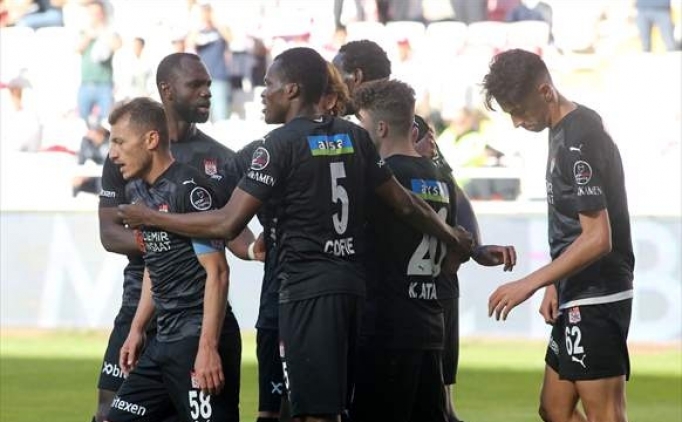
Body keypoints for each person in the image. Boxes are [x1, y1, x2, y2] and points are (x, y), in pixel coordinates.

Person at [118, 47, 474, 422]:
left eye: (269, 84)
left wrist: (152, 217)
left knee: (315, 414)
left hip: (306, 292)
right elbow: (406, 205)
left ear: (291, 90)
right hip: (353, 291)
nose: (263, 93)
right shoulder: (355, 136)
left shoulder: (278, 145)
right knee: (328, 408)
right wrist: (453, 236)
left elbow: (226, 224)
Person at [93, 52, 254, 422]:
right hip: (148, 307)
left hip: (194, 321)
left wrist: (253, 249)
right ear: (167, 89)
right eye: (196, 84)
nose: (206, 92)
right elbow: (116, 237)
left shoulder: (206, 170)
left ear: (150, 140)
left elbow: (224, 235)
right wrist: (137, 326)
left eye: (208, 85)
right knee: (109, 413)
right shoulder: (134, 173)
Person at [482, 49, 634, 422]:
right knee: (553, 409)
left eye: (519, 110)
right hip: (576, 288)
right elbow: (573, 225)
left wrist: (529, 283)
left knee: (604, 415)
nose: (517, 122)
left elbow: (598, 237)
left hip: (598, 293)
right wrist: (555, 283)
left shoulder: (580, 138)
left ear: (546, 91)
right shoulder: (563, 130)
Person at [333, 39, 481, 422]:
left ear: (380, 127)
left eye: (362, 124)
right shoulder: (441, 178)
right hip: (429, 325)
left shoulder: (382, 179)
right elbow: (451, 261)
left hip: (384, 325)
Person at [76, 0, 121, 125]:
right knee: (82, 122)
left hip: (105, 84)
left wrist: (102, 33)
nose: (95, 17)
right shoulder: (85, 31)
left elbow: (117, 45)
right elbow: (77, 48)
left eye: (98, 13)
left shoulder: (109, 31)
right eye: (92, 14)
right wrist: (89, 35)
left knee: (107, 122)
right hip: (86, 83)